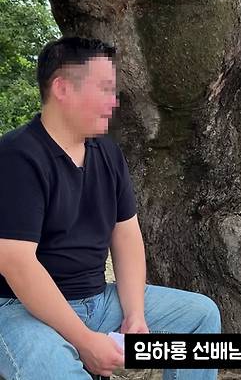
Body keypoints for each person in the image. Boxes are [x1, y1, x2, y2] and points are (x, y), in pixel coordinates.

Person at [0, 37, 221, 380]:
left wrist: (135, 314)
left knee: (200, 316)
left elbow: (127, 236)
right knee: (54, 369)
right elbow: (16, 263)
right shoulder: (17, 156)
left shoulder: (108, 153)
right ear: (62, 89)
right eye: (104, 89)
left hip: (98, 301)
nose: (113, 101)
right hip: (21, 309)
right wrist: (85, 341)